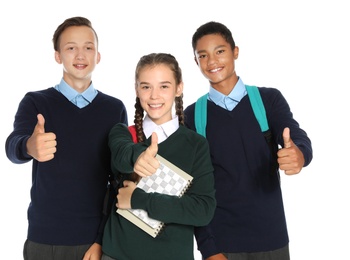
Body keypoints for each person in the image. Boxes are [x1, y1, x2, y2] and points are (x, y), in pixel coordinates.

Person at [184, 21, 313, 260]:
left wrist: (300, 153)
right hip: (222, 245)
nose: (212, 61)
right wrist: (208, 248)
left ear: (235, 52)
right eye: (203, 55)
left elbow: (297, 137)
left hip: (272, 240)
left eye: (220, 51)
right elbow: (193, 189)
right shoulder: (192, 116)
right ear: (196, 61)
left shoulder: (268, 100)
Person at [5, 16, 128, 260]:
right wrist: (29, 146)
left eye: (88, 48)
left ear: (98, 56)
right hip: (45, 240)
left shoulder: (114, 109)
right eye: (71, 48)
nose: (80, 55)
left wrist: (101, 239)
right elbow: (12, 146)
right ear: (58, 56)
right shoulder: (35, 102)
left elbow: (118, 180)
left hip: (95, 242)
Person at [101, 53, 216, 260]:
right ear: (137, 89)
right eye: (146, 87)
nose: (154, 96)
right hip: (118, 254)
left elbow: (202, 210)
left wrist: (138, 199)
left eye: (164, 86)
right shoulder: (123, 133)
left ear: (178, 88)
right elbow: (121, 153)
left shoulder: (196, 145)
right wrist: (138, 156)